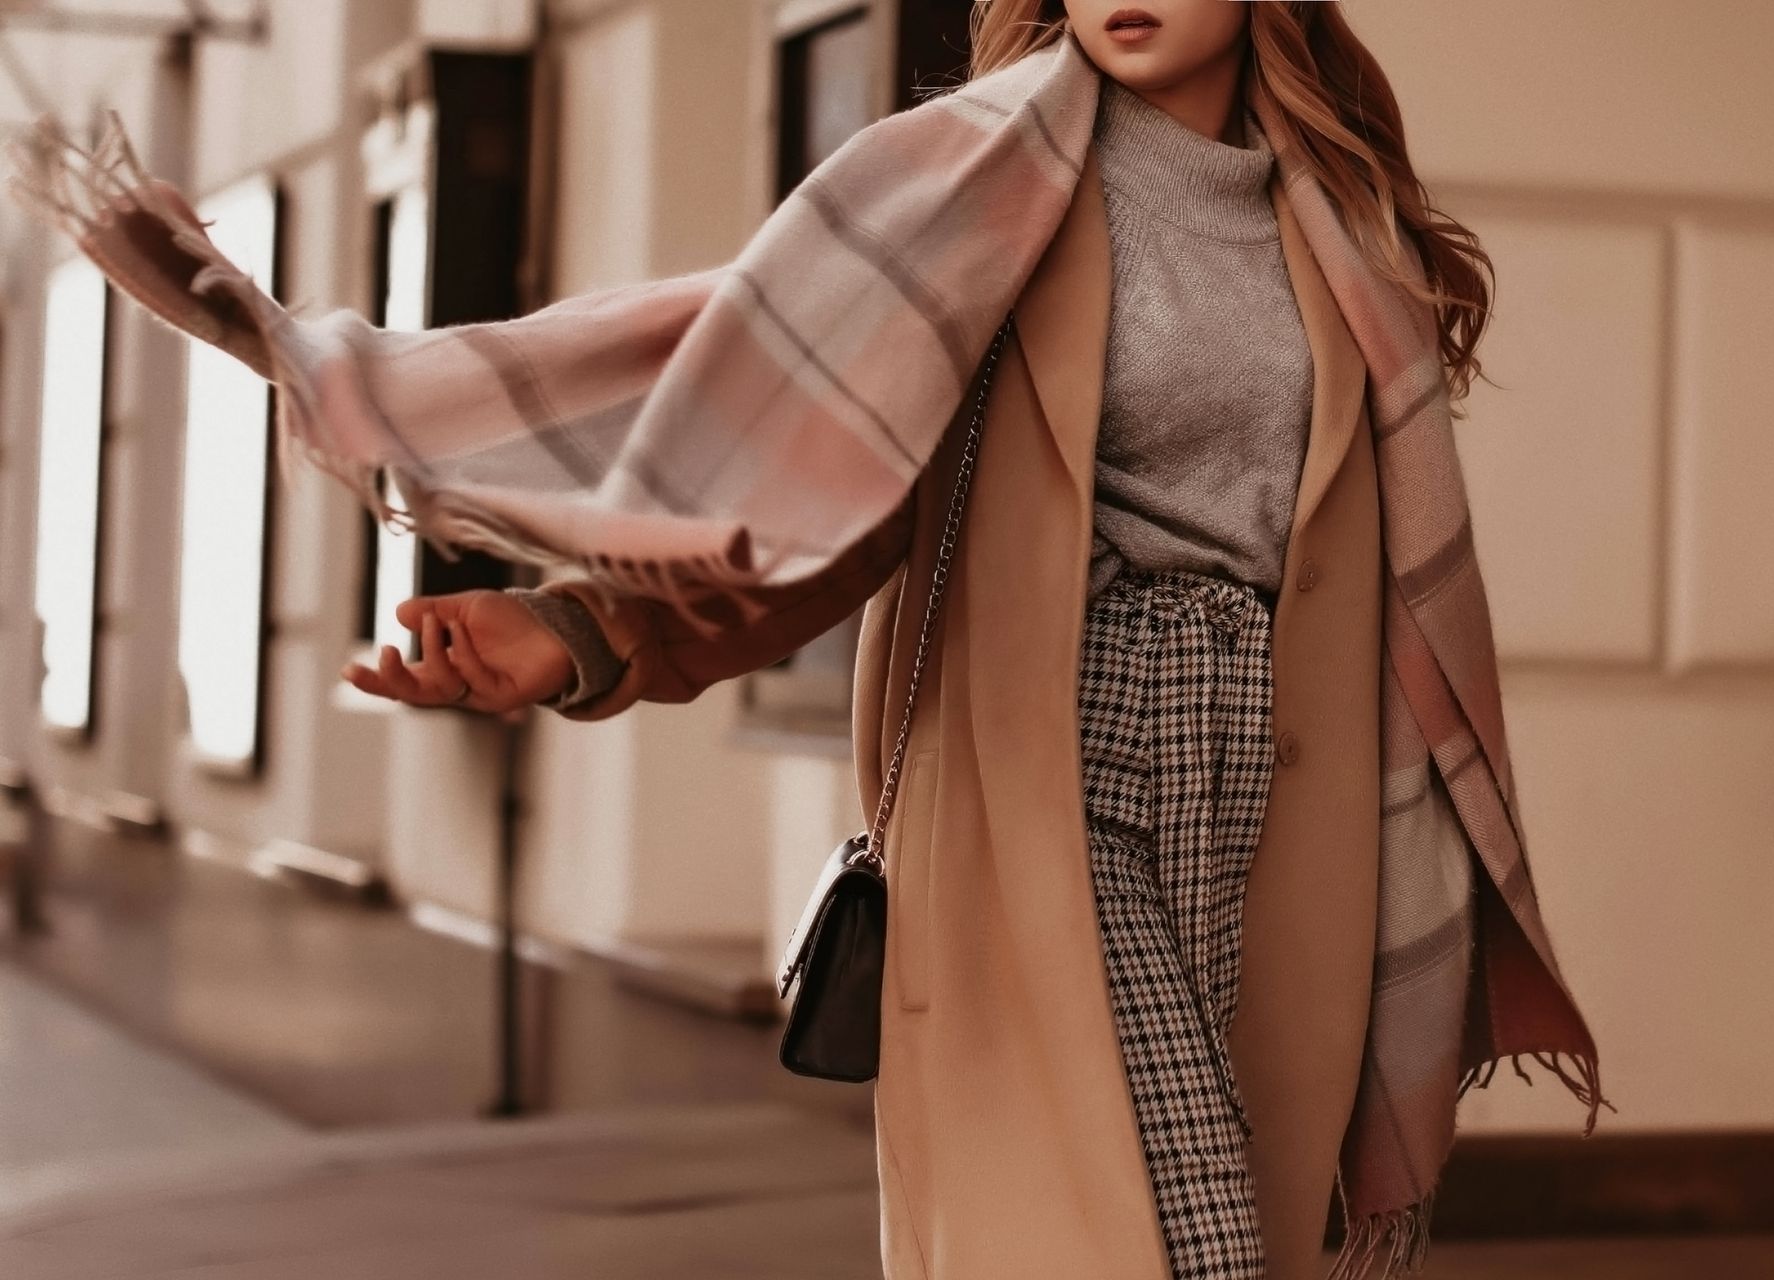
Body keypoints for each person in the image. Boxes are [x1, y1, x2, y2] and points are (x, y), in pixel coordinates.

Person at [18, 3, 1607, 1277]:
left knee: (1248, 1228)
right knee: (1167, 1241)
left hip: (1281, 794)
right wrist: (578, 629)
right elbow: (813, 478)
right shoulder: (977, 193)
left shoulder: (1343, 234)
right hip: (1054, 766)